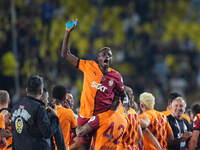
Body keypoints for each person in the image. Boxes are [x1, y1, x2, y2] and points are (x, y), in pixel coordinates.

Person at [61, 19, 126, 149]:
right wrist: (67, 32)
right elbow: (65, 54)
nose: (107, 57)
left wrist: (120, 112)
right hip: (85, 116)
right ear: (98, 58)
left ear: (111, 59)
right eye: (104, 55)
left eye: (109, 55)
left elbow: (123, 96)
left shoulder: (116, 76)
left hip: (101, 119)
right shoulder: (89, 66)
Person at [11, 75, 59, 150]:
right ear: (41, 91)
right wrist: (55, 117)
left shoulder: (15, 107)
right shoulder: (39, 108)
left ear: (27, 90)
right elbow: (47, 132)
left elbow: (15, 135)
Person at [52, 85, 77, 150]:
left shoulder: (46, 110)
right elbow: (76, 132)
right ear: (64, 99)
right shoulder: (69, 112)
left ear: (52, 97)